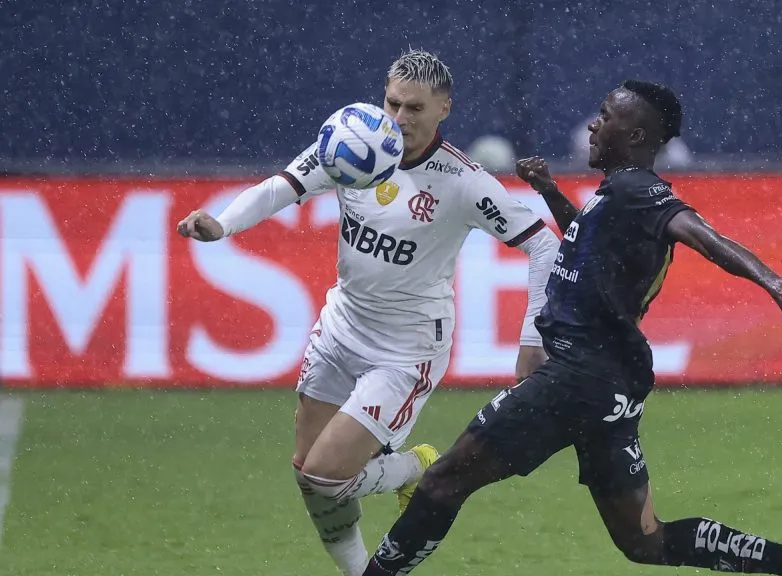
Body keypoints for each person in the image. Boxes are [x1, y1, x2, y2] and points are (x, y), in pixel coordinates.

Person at [361, 80, 782, 576]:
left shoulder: (641, 191)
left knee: (443, 481)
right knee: (644, 541)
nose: (594, 124)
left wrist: (779, 287)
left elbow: (700, 232)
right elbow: (586, 246)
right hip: (612, 386)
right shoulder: (616, 196)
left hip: (575, 379)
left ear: (635, 135)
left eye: (605, 116)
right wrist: (550, 191)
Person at [176, 49, 559, 576]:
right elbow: (282, 187)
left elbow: (544, 245)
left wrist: (532, 341)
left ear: (444, 108)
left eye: (415, 108)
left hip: (406, 349)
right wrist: (221, 226)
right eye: (393, 102)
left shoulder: (464, 183)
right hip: (341, 327)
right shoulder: (354, 143)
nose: (400, 118)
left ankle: (415, 468)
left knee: (327, 475)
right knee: (306, 473)